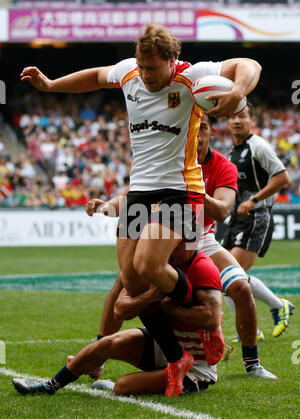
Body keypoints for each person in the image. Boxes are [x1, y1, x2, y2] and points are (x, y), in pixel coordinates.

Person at [20, 23, 262, 393]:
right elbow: (97, 77)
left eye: (153, 68)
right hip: (140, 192)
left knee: (148, 265)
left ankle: (207, 330)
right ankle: (176, 355)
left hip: (181, 190)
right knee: (131, 282)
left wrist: (237, 93)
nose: (145, 74)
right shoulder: (130, 72)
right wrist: (51, 85)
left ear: (171, 60)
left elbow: (249, 64)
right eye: (141, 66)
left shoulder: (191, 77)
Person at [85, 113, 278, 379]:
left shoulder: (223, 166)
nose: (197, 136)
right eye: (192, 130)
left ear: (211, 133)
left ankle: (252, 363)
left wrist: (194, 189)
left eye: (203, 130)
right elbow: (135, 197)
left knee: (241, 286)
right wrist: (108, 206)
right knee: (123, 282)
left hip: (203, 239)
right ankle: (98, 356)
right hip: (168, 235)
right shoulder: (166, 160)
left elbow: (222, 211)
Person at [12, 243, 224, 397]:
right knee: (106, 344)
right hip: (166, 341)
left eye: (173, 246)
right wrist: (151, 297)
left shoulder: (202, 266)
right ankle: (51, 385)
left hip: (196, 364)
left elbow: (211, 318)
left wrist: (170, 308)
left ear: (188, 243)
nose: (168, 251)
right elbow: (121, 310)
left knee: (122, 386)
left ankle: (186, 376)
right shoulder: (152, 264)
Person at [223, 102, 294, 338]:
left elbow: (283, 177)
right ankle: (254, 328)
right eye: (232, 117)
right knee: (221, 277)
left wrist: (253, 200)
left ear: (252, 120)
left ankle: (277, 306)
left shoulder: (258, 147)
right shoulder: (230, 152)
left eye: (242, 116)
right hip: (237, 217)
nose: (236, 121)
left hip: (257, 216)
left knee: (230, 274)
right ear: (226, 122)